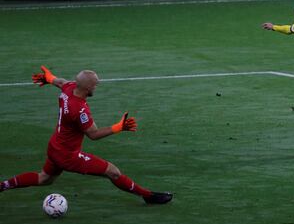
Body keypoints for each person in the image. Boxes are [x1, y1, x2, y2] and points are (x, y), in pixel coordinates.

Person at [0, 66, 173, 204]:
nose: (96, 86)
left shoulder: (69, 89)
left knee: (44, 178)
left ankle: (3, 186)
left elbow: (60, 82)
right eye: (95, 84)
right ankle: (148, 196)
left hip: (55, 146)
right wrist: (118, 127)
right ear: (88, 87)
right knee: (113, 172)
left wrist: (49, 78)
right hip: (68, 155)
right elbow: (94, 134)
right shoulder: (79, 109)